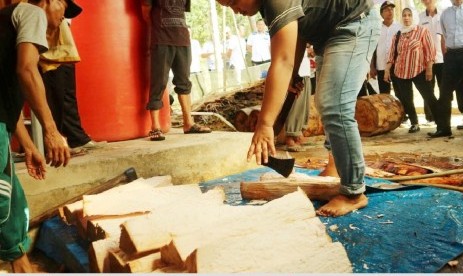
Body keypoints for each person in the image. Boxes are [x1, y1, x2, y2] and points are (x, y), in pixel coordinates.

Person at [217, 0, 380, 217]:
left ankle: (353, 193)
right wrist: (292, 79)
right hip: (328, 32)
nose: (235, 10)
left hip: (354, 20)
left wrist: (265, 124)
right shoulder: (267, 7)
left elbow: (282, 60)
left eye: (233, 2)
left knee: (334, 104)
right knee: (328, 102)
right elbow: (298, 33)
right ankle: (335, 167)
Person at [0, 0, 77, 271]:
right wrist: (52, 131)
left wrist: (29, 144)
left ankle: (20, 264)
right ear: (48, 2)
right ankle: (19, 262)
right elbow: (27, 70)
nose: (62, 21)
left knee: (13, 199)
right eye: (64, 11)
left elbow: (5, 101)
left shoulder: (8, 22)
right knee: (1, 199)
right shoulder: (32, 13)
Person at [141, 0, 211, 141]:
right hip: (161, 39)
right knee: (159, 82)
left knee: (184, 82)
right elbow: (145, 12)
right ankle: (155, 126)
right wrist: (153, 35)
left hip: (183, 39)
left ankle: (188, 123)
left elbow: (181, 12)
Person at [39, 19, 106, 152]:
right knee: (54, 86)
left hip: (59, 26)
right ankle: (53, 142)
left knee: (66, 83)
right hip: (46, 26)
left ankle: (75, 136)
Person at [384, 7, 437, 134]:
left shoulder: (422, 31)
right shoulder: (398, 34)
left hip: (419, 70)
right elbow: (391, 55)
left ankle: (441, 122)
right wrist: (387, 71)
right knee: (407, 99)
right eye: (404, 15)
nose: (406, 18)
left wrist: (429, 68)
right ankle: (414, 123)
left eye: (409, 15)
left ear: (414, 17)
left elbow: (430, 51)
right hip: (400, 72)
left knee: (429, 97)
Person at [428, 0, 463, 138]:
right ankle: (444, 128)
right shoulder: (445, 14)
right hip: (451, 55)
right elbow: (444, 35)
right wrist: (447, 54)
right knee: (444, 92)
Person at [370, 1, 401, 96]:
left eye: (392, 9)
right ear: (381, 13)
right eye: (387, 10)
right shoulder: (376, 28)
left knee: (400, 94)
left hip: (397, 67)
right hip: (381, 66)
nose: (390, 12)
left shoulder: (399, 27)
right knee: (385, 96)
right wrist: (372, 67)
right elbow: (372, 48)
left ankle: (403, 111)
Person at [419, 0, 443, 125]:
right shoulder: (419, 18)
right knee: (428, 89)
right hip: (427, 61)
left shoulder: (444, 14)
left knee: (444, 89)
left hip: (443, 58)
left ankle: (444, 115)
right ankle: (430, 117)